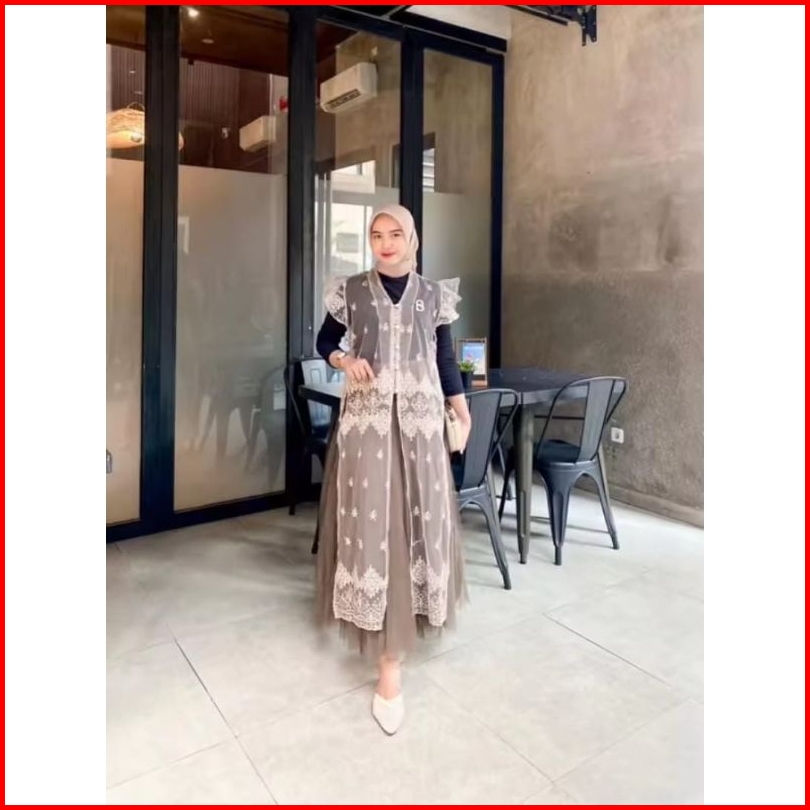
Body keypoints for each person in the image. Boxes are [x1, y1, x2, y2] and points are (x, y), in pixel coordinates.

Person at [314, 204, 472, 735]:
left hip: (422, 428)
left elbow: (445, 360)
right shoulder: (352, 291)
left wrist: (461, 409)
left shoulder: (433, 296)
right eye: (376, 234)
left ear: (413, 239)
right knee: (374, 530)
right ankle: (388, 666)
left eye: (395, 234)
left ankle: (402, 637)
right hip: (367, 429)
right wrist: (344, 360)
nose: (385, 243)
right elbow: (324, 342)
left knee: (417, 528)